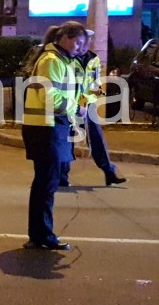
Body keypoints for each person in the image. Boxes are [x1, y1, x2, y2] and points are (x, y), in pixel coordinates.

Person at [21, 21, 88, 250]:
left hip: (50, 127)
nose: (80, 48)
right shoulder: (52, 61)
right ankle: (43, 236)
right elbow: (51, 99)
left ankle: (39, 235)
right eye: (78, 42)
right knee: (46, 185)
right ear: (66, 38)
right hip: (46, 129)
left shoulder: (61, 60)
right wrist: (76, 109)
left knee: (45, 184)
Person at [60, 31, 127, 187]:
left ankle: (109, 172)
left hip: (87, 104)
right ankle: (62, 176)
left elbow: (95, 83)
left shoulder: (93, 59)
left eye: (87, 42)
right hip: (71, 105)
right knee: (68, 140)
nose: (84, 45)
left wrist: (92, 95)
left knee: (96, 138)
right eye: (81, 42)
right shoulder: (68, 59)